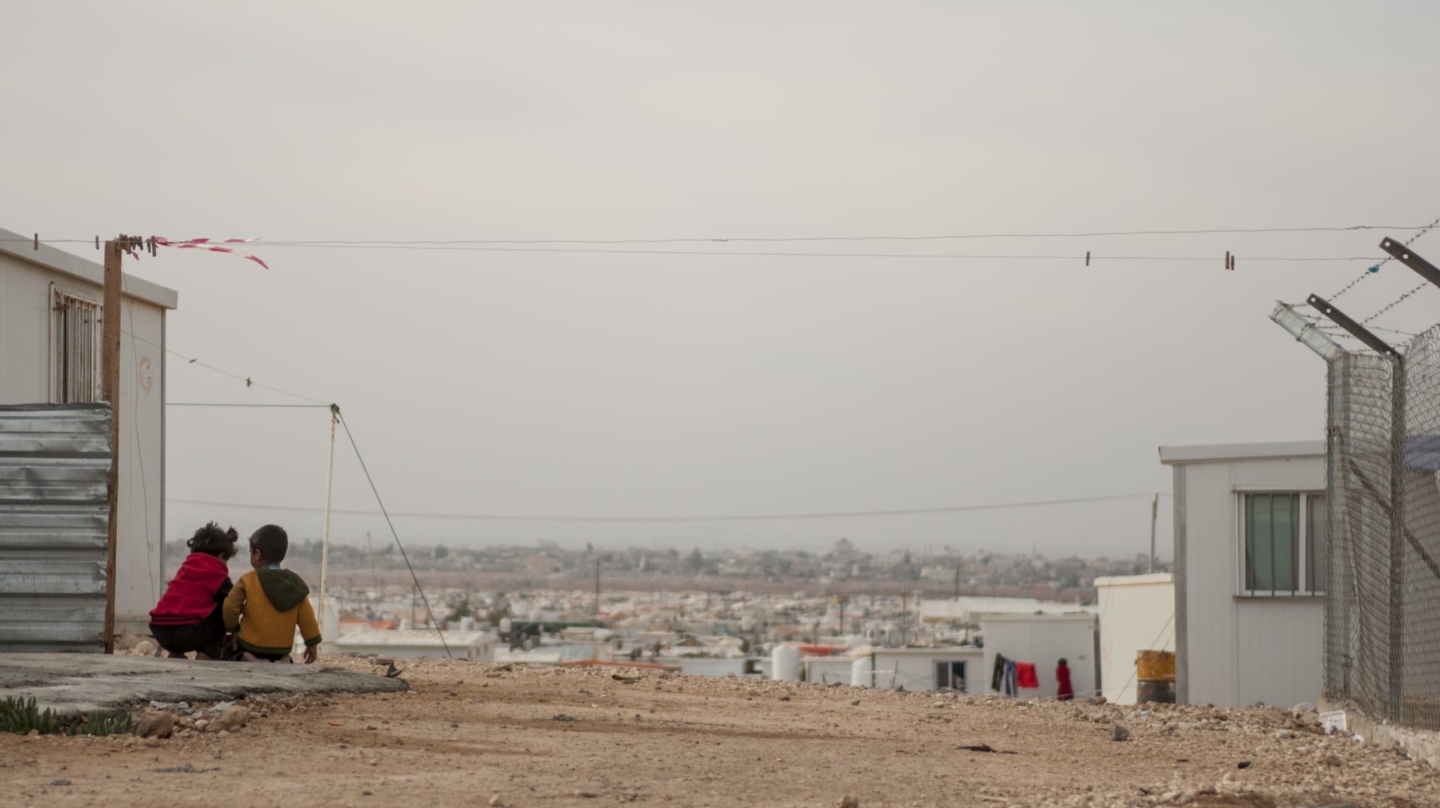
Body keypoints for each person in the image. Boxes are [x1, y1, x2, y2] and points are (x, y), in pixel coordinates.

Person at [223, 525, 321, 663]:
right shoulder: (295, 584)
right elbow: (307, 618)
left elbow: (230, 606)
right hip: (281, 649)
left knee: (227, 652)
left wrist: (233, 628)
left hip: (250, 646)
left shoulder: (248, 579)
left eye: (250, 552)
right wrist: (312, 644)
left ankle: (249, 658)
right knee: (284, 656)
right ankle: (284, 660)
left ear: (257, 554)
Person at [148, 523, 240, 660]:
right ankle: (207, 653)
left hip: (161, 631)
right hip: (189, 633)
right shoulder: (217, 573)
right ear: (221, 557)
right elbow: (233, 601)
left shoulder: (184, 570)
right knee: (224, 606)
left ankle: (176, 654)